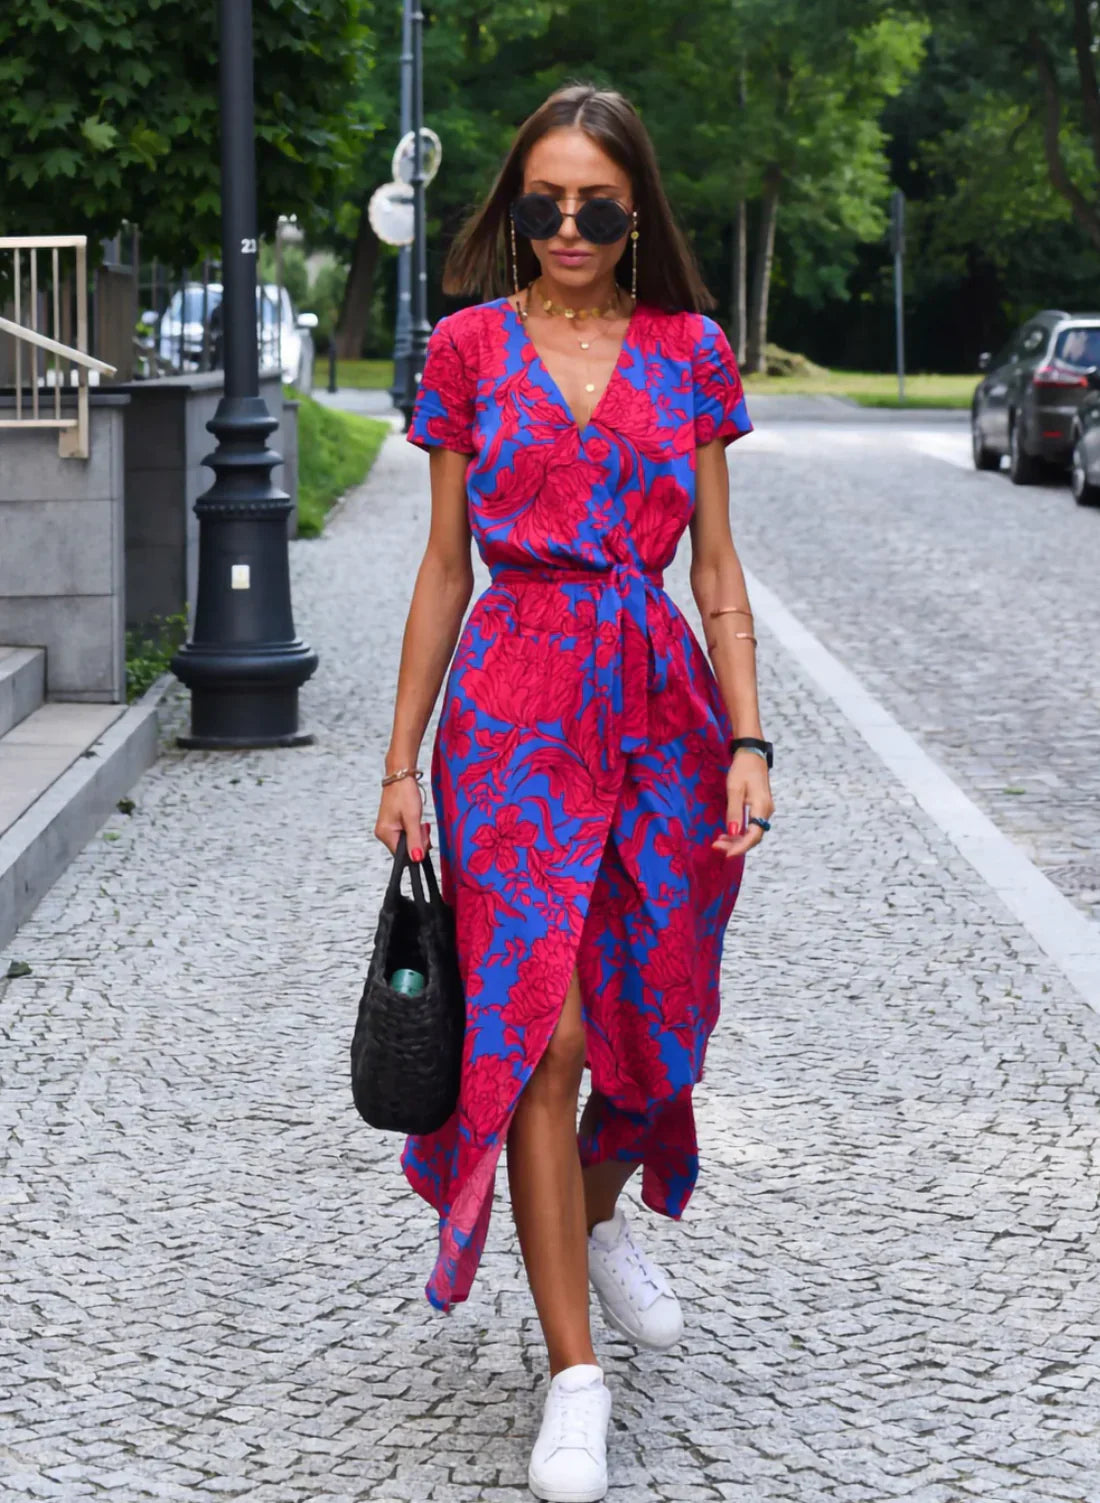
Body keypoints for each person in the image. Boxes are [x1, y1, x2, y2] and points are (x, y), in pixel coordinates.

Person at [374, 82, 774, 1503]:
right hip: (513, 715)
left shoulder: (694, 353)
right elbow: (442, 568)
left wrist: (749, 737)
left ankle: (598, 1216)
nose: (565, 226)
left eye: (594, 204)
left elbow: (717, 570)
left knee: (644, 1024)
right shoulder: (471, 348)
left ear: (635, 210)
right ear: (514, 206)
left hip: (662, 707)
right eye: (541, 201)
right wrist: (402, 760)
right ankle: (573, 1377)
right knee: (536, 1032)